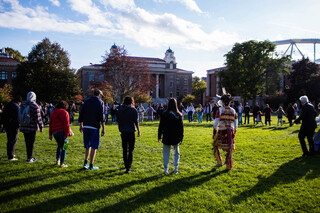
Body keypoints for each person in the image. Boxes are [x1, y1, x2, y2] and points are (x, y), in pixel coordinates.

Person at [79, 89, 105, 170]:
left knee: (87, 145)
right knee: (94, 146)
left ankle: (85, 163)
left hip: (86, 125)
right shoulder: (100, 102)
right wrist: (103, 128)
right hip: (95, 126)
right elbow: (102, 116)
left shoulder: (86, 101)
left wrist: (81, 125)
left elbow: (81, 113)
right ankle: (91, 165)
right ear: (99, 95)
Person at [158, 98, 184, 175]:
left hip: (167, 135)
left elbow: (161, 126)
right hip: (175, 136)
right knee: (176, 152)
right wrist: (181, 137)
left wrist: (159, 136)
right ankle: (176, 168)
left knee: (166, 153)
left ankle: (166, 169)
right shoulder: (178, 115)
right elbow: (181, 128)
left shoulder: (164, 114)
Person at [212, 94, 237, 170]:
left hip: (222, 131)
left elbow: (215, 123)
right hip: (230, 131)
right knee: (229, 148)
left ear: (222, 101)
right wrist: (234, 132)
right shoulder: (233, 111)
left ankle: (219, 162)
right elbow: (236, 124)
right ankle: (228, 165)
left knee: (215, 145)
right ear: (229, 102)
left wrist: (214, 131)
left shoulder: (219, 110)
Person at [117, 97, 141, 173]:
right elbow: (136, 121)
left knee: (124, 149)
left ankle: (126, 164)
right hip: (131, 131)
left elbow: (118, 120)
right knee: (130, 150)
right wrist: (138, 130)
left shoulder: (120, 110)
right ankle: (128, 166)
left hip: (123, 131)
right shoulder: (133, 110)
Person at [19, 91, 44, 163]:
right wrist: (41, 126)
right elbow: (38, 117)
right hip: (32, 126)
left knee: (27, 142)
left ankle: (28, 156)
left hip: (24, 126)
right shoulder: (34, 105)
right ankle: (29, 157)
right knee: (31, 142)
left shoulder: (23, 104)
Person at [49, 101, 74, 168]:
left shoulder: (53, 112)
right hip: (62, 131)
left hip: (55, 132)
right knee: (64, 147)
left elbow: (50, 123)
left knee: (59, 145)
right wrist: (67, 134)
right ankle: (62, 163)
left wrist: (50, 134)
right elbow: (66, 125)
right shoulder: (64, 112)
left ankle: (58, 160)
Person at [2, 96, 22, 160]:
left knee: (9, 140)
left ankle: (9, 153)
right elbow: (17, 117)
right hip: (13, 126)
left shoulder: (8, 105)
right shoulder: (16, 107)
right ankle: (11, 156)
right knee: (13, 140)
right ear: (18, 102)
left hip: (7, 125)